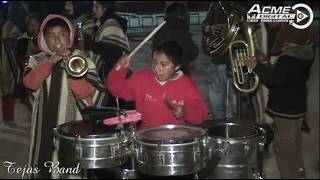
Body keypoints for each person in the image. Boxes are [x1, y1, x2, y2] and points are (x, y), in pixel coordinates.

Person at [23, 14, 106, 179]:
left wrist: (71, 69)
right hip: (44, 126)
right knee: (43, 165)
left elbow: (87, 96)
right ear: (44, 39)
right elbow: (30, 83)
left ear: (70, 36)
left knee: (71, 168)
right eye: (51, 36)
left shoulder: (83, 59)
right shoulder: (37, 59)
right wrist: (51, 61)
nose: (57, 40)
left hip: (74, 126)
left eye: (62, 34)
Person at [244, 23, 314, 179]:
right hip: (298, 104)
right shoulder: (306, 52)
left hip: (285, 107)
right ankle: (299, 171)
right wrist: (266, 62)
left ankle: (289, 175)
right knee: (295, 141)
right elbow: (287, 75)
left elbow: (276, 79)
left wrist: (256, 67)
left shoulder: (288, 57)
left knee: (283, 146)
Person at [107, 41, 208, 130]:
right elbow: (116, 89)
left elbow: (201, 116)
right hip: (147, 138)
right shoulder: (142, 79)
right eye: (155, 63)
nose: (157, 68)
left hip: (177, 140)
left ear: (177, 66)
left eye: (163, 65)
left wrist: (186, 111)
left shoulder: (187, 84)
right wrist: (119, 69)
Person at [84, 1, 131, 109]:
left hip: (114, 68)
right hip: (107, 68)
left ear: (105, 8)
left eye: (97, 7)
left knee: (113, 102)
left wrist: (89, 44)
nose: (93, 10)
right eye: (93, 7)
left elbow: (110, 48)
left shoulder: (112, 24)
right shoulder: (101, 23)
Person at [152, 1, 198, 75]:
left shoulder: (159, 32)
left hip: (162, 75)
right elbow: (193, 52)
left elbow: (154, 53)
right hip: (182, 74)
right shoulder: (183, 33)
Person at [0, 4, 21, 123]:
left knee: (8, 90)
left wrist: (6, 41)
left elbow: (17, 39)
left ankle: (8, 118)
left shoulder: (9, 25)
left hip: (7, 62)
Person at [15, 13, 41, 106]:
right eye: (31, 25)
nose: (33, 27)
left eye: (35, 24)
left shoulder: (43, 39)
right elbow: (20, 56)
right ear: (27, 26)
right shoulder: (23, 40)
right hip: (28, 67)